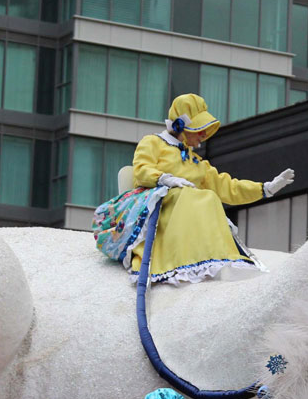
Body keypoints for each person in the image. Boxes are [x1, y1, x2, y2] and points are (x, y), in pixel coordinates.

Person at [92, 93, 294, 284]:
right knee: (193, 196)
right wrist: (164, 179)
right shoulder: (153, 142)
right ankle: (182, 260)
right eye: (199, 129)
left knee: (209, 197)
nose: (204, 135)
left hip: (186, 210)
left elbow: (226, 186)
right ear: (182, 126)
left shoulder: (195, 161)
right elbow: (141, 170)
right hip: (161, 208)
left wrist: (264, 189)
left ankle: (214, 258)